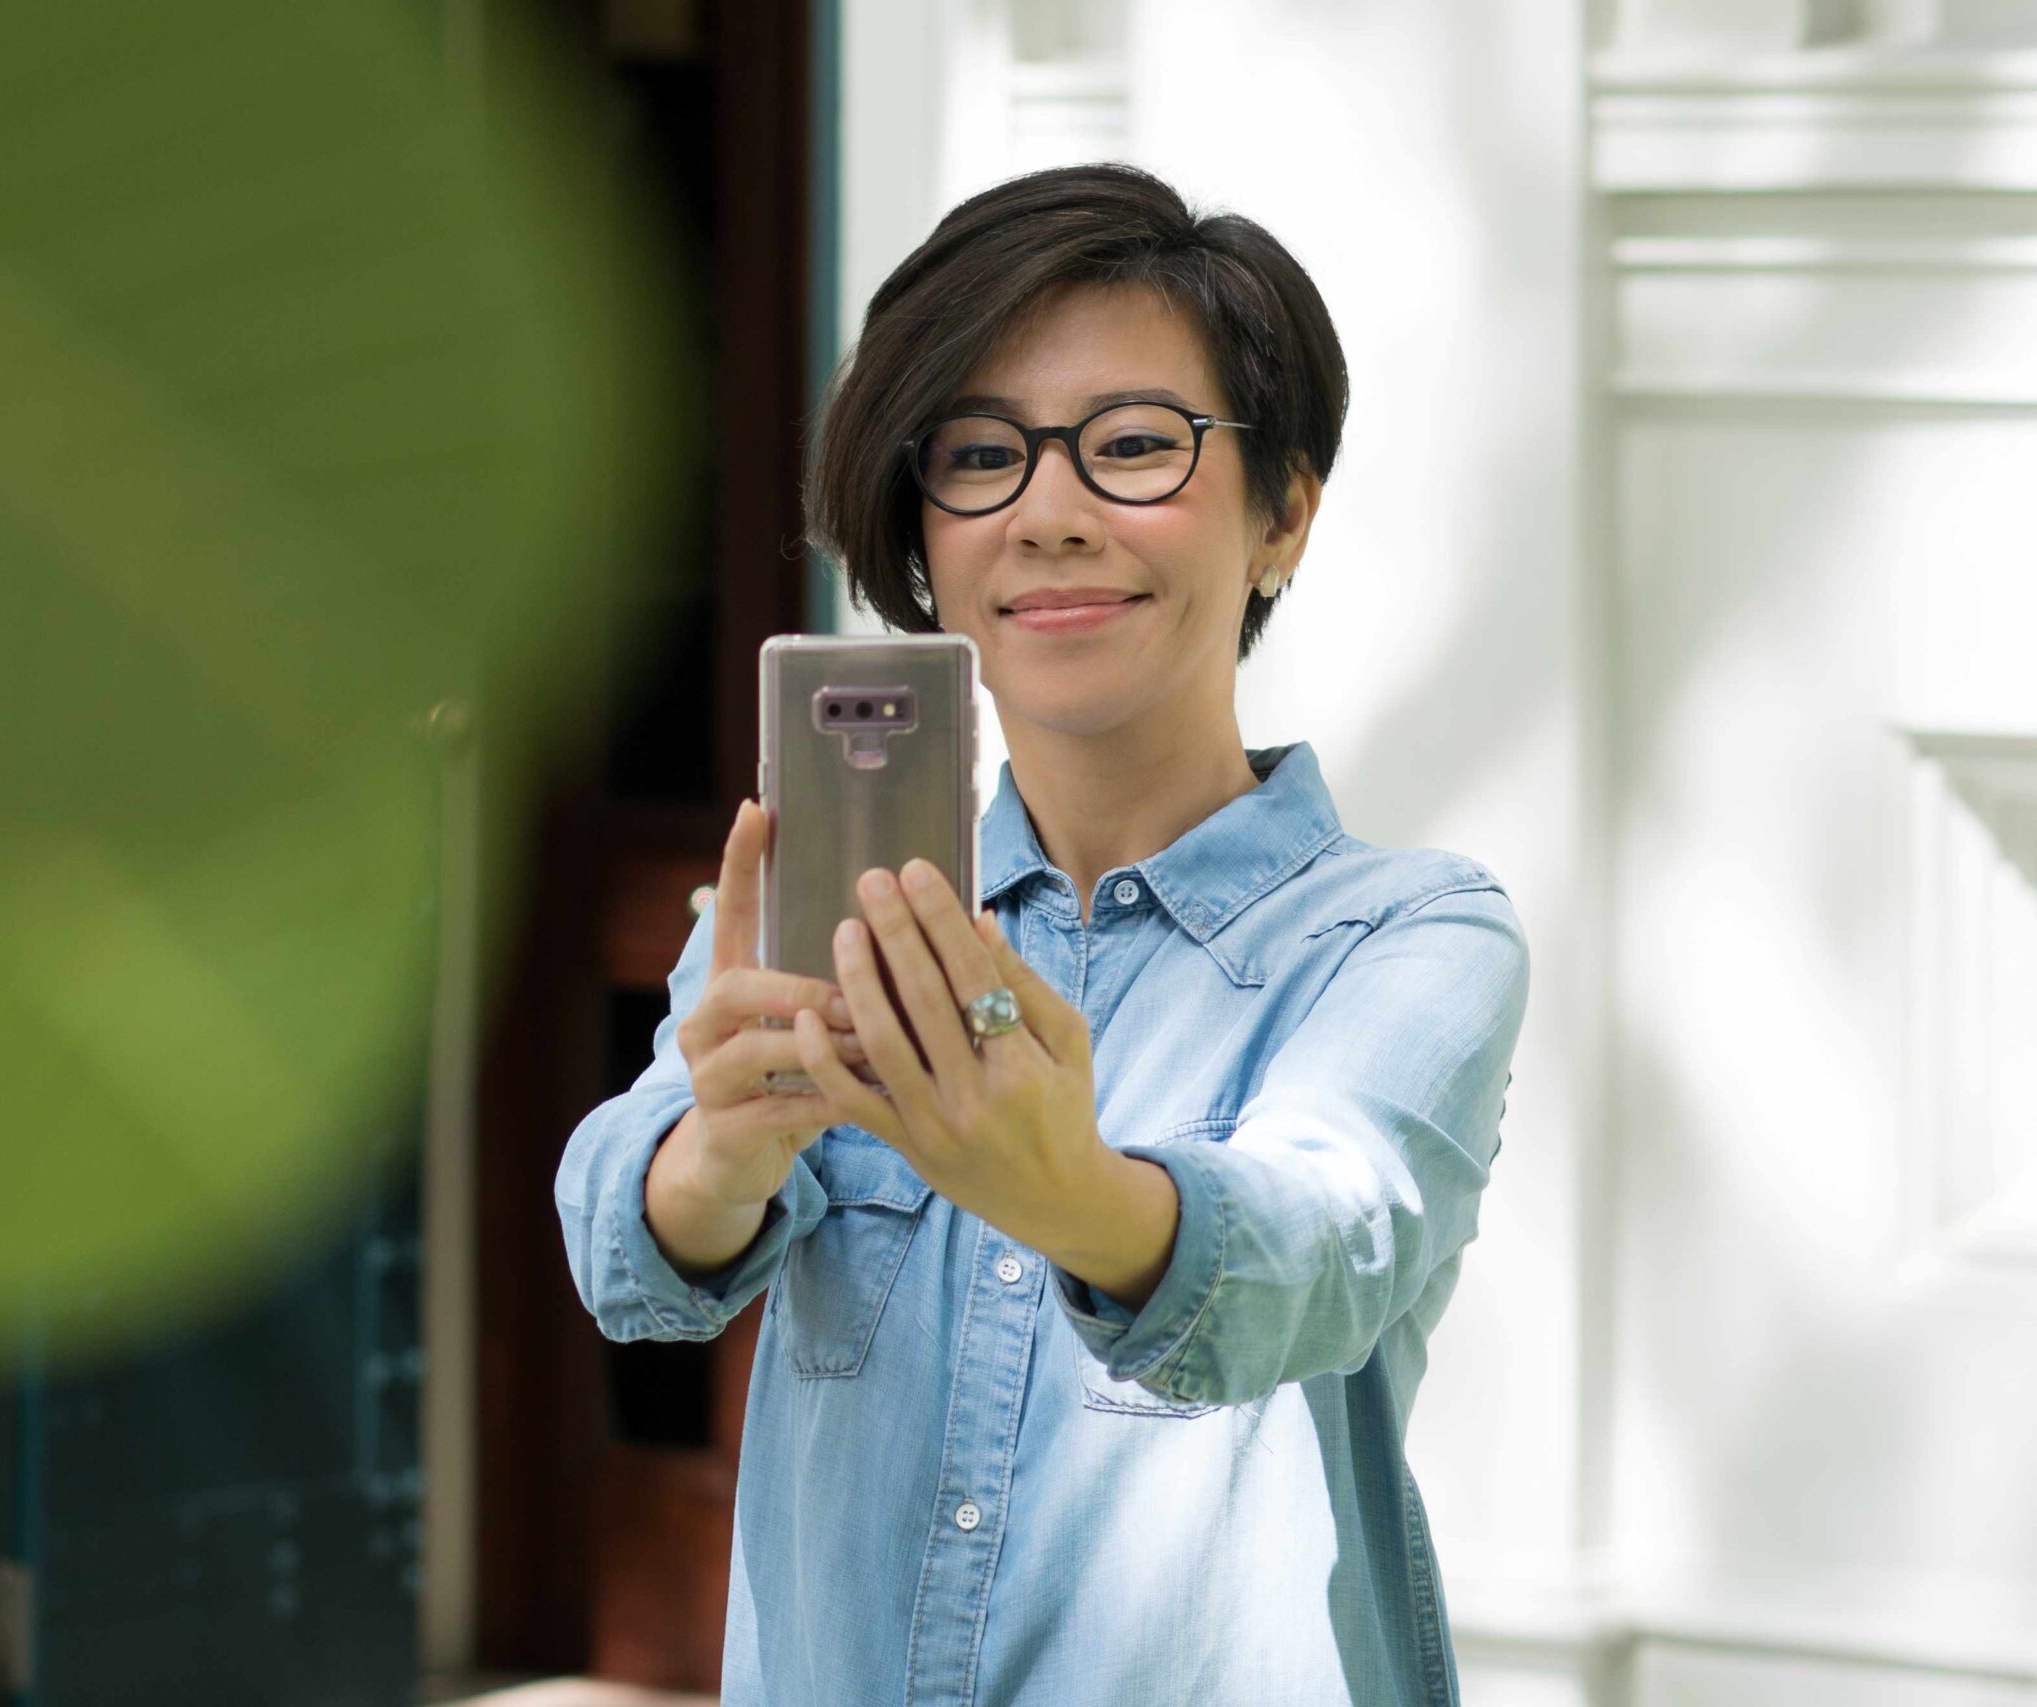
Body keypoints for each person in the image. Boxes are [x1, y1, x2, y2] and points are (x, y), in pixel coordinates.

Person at [554, 161, 1530, 1706]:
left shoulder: (1407, 939)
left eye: (1134, 445)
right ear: (920, 534)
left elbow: (1321, 1244)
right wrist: (720, 1151)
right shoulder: (811, 914)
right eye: (981, 456)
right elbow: (624, 1249)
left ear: (1282, 516)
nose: (1050, 516)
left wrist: (1071, 1189)